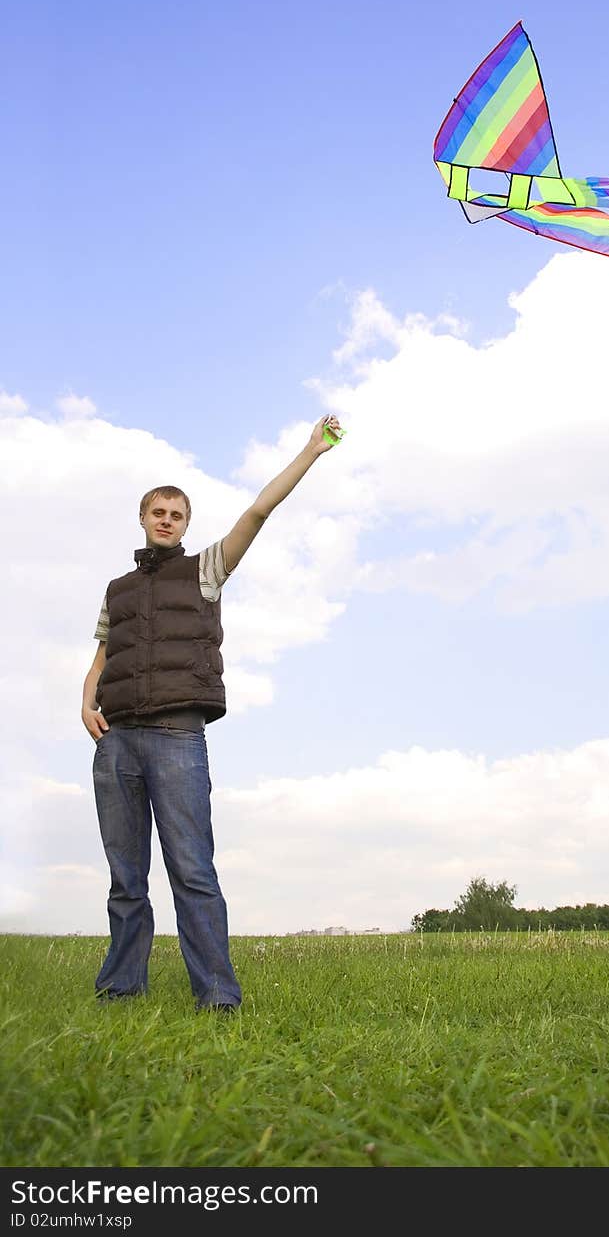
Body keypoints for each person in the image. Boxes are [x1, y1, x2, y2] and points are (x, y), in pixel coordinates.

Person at [81, 413, 344, 1011]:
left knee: (193, 872)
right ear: (144, 519)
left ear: (186, 525)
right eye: (158, 512)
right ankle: (121, 990)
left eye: (177, 514)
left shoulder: (206, 570)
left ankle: (218, 997)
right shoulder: (117, 588)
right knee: (126, 879)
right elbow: (104, 648)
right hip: (117, 741)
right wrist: (86, 696)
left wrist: (311, 451)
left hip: (177, 736)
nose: (167, 521)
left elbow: (257, 512)